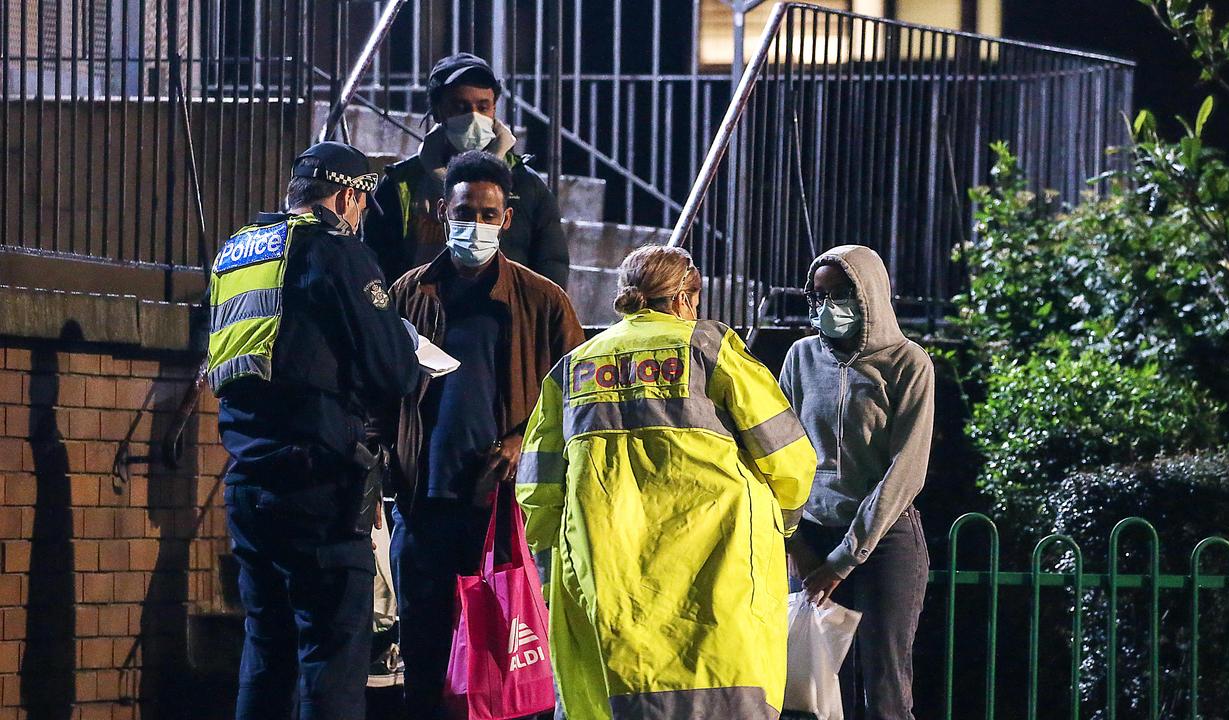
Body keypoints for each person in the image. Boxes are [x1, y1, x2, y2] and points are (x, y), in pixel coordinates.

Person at [516, 245, 818, 719]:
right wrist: (784, 519)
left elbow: (536, 488)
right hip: (721, 576)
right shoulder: (709, 350)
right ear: (682, 298)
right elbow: (790, 457)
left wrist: (553, 555)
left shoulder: (574, 368)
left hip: (607, 582)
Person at [207, 141, 421, 720]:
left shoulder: (241, 253)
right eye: (359, 207)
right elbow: (394, 368)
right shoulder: (334, 252)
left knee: (265, 651)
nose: (358, 220)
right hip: (319, 483)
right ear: (350, 195)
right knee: (331, 655)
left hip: (249, 477)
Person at [371, 149, 584, 717]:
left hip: (505, 510)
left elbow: (580, 401)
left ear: (507, 219)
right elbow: (379, 387)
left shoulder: (542, 301)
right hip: (424, 501)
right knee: (425, 648)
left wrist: (524, 440)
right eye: (466, 212)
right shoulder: (411, 293)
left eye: (490, 215)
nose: (478, 225)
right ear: (444, 211)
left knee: (507, 652)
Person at [779, 245, 935, 720]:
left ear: (869, 293)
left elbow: (906, 469)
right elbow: (778, 451)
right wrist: (798, 544)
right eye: (820, 295)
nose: (829, 307)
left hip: (884, 542)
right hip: (812, 538)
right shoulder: (801, 357)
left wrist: (845, 559)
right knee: (816, 689)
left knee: (885, 688)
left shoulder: (908, 363)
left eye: (842, 293)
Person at [364, 52, 571, 287]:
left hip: (503, 317)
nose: (474, 117)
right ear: (439, 111)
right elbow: (375, 264)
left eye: (483, 107)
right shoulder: (402, 183)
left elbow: (551, 266)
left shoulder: (525, 185)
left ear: (494, 110)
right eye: (461, 107)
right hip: (423, 317)